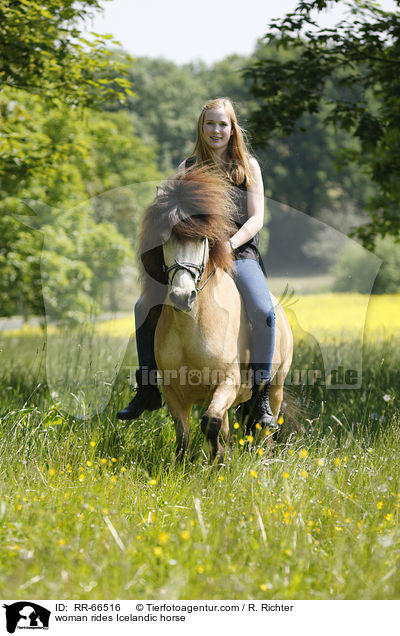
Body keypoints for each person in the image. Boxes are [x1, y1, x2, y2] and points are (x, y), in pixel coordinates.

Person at [117, 97, 277, 429]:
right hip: (192, 256)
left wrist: (229, 245)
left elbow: (257, 219)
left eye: (223, 124)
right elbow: (169, 208)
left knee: (263, 311)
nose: (216, 130)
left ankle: (261, 395)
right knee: (142, 306)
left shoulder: (248, 166)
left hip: (237, 253)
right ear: (201, 128)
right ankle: (147, 388)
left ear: (232, 128)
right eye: (210, 123)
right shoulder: (187, 167)